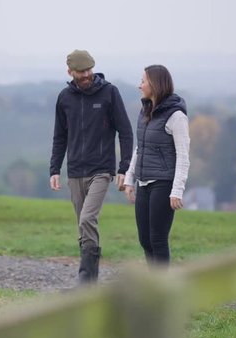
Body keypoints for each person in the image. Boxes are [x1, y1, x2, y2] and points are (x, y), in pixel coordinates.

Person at [50, 49, 133, 284]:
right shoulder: (64, 98)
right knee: (82, 227)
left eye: (89, 70)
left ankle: (85, 279)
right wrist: (55, 169)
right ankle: (89, 285)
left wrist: (123, 168)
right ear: (70, 72)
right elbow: (60, 137)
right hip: (75, 171)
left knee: (87, 219)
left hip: (101, 169)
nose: (86, 75)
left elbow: (125, 132)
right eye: (81, 72)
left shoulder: (109, 93)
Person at [122, 64, 190, 266]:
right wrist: (129, 178)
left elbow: (183, 156)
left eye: (143, 81)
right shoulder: (145, 112)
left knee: (158, 240)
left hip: (163, 183)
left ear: (155, 83)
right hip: (143, 182)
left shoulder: (176, 116)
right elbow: (139, 148)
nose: (139, 85)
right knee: (145, 240)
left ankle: (161, 291)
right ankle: (154, 287)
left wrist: (177, 190)